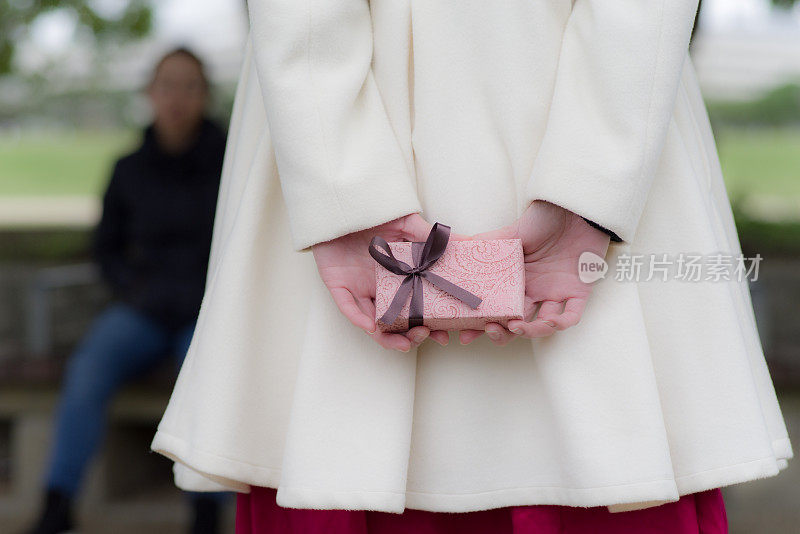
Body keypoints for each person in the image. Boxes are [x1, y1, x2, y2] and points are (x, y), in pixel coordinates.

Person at [151, 1, 794, 533]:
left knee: (337, 449)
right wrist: (597, 176)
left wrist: (336, 176)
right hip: (578, 80)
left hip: (336, 99)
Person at [22, 47, 230, 534]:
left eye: (189, 86)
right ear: (149, 94)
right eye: (166, 85)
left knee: (208, 377)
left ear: (204, 95)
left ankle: (205, 507)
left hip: (206, 310)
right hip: (143, 307)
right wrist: (131, 287)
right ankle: (58, 501)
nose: (176, 97)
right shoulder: (128, 168)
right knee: (88, 369)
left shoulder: (228, 163)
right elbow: (106, 247)